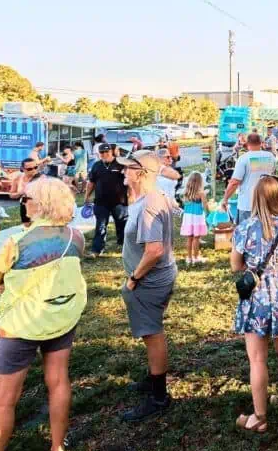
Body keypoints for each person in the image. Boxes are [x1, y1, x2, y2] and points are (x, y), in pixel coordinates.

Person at [0, 177, 87, 451]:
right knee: (59, 380)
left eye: (26, 198)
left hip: (21, 325)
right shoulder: (76, 236)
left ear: (40, 203)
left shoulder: (17, 241)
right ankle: (57, 448)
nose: (22, 202)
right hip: (62, 317)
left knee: (3, 401)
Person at [230, 176, 278, 433]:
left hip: (257, 296)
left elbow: (235, 265)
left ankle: (259, 417)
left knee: (257, 359)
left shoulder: (246, 227)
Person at [118, 151, 178, 422]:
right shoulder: (150, 198)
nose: (123, 172)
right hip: (155, 278)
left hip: (149, 281)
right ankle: (153, 379)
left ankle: (158, 396)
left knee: (152, 334)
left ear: (141, 173)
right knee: (150, 332)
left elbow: (154, 250)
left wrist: (134, 279)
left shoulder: (151, 203)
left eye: (128, 169)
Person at [221, 133, 277, 224]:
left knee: (246, 233)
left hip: (248, 203)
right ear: (261, 143)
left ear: (247, 144)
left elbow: (234, 182)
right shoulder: (270, 157)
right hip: (266, 202)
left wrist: (225, 199)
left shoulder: (244, 159)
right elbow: (272, 174)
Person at [84, 144, 128, 259]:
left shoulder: (121, 164)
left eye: (106, 152)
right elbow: (91, 182)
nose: (104, 154)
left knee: (122, 223)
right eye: (101, 152)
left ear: (111, 152)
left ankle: (124, 244)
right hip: (101, 202)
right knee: (100, 226)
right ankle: (96, 250)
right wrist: (87, 196)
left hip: (119, 201)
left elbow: (130, 179)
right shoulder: (97, 165)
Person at [179, 172, 209, 265]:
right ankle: (196, 257)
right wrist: (209, 210)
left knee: (189, 238)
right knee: (196, 238)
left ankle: (189, 257)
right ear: (200, 182)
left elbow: (184, 204)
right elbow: (205, 206)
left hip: (188, 218)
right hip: (197, 217)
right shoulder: (201, 193)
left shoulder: (185, 192)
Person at [10, 157, 43, 228]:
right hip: (25, 204)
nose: (34, 170)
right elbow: (11, 195)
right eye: (29, 169)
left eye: (35, 167)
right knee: (27, 227)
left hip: (39, 206)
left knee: (38, 228)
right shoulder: (18, 178)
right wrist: (21, 192)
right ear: (22, 169)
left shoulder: (42, 178)